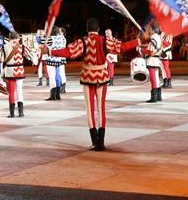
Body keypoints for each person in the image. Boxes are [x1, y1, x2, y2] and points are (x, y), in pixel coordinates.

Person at [44, 18, 138, 151]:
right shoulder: (104, 40)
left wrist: (50, 52)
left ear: (87, 30)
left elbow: (68, 52)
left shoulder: (83, 41)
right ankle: (102, 142)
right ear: (98, 29)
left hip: (88, 76)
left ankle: (95, 142)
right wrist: (138, 41)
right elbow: (121, 48)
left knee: (90, 110)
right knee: (101, 109)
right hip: (102, 76)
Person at [1, 31, 26, 117]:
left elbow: (1, 60)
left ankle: (12, 113)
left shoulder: (4, 46)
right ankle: (21, 112)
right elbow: (30, 57)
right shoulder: (22, 46)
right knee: (20, 91)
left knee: (11, 92)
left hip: (9, 71)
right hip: (19, 70)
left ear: (9, 37)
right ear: (17, 37)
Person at [38, 26, 67, 100]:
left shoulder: (50, 39)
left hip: (51, 60)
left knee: (52, 77)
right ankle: (58, 94)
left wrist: (41, 35)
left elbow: (40, 41)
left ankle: (52, 95)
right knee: (58, 76)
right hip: (59, 60)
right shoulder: (62, 38)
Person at [138, 24, 163, 103]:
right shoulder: (158, 37)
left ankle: (154, 97)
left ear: (152, 30)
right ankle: (158, 96)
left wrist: (141, 50)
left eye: (150, 29)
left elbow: (150, 49)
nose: (149, 30)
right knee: (156, 78)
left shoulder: (153, 38)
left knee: (153, 78)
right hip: (156, 59)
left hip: (152, 59)